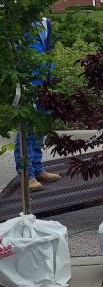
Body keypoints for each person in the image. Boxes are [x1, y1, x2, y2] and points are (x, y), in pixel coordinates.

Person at [14, 16, 61, 191]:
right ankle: (27, 175)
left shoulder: (45, 21)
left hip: (45, 81)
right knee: (27, 130)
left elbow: (47, 49)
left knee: (41, 126)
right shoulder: (19, 20)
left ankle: (38, 167)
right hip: (27, 82)